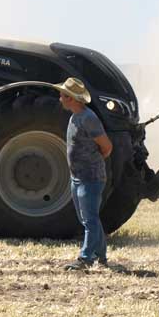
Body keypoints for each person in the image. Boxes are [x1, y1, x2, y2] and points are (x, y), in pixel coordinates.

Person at [54, 77, 113, 271]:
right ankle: (101, 256)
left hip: (91, 178)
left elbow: (106, 147)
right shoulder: (74, 117)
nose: (60, 98)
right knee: (88, 219)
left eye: (63, 95)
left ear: (72, 98)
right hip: (77, 178)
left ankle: (85, 258)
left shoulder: (89, 118)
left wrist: (92, 164)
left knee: (89, 219)